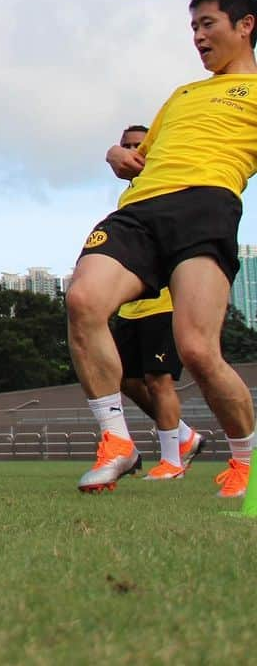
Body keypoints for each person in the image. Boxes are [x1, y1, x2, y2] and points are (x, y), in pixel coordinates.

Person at [67, 0, 257, 498]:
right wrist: (116, 155)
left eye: (207, 24)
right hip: (140, 210)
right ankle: (116, 442)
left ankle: (246, 461)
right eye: (193, 27)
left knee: (198, 350)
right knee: (83, 299)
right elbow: (139, 156)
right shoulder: (183, 95)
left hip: (206, 207)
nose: (197, 36)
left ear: (245, 26)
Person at [111, 125, 205, 481]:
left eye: (140, 146)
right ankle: (184, 436)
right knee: (126, 380)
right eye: (127, 146)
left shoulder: (168, 189)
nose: (133, 151)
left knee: (158, 380)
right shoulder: (130, 197)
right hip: (130, 307)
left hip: (162, 304)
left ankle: (172, 462)